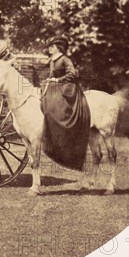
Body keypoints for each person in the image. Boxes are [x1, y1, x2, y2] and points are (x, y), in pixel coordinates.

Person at [40, 36, 90, 171]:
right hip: (56, 89)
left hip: (67, 89)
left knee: (56, 110)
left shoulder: (64, 59)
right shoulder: (52, 60)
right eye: (49, 46)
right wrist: (50, 79)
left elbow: (72, 74)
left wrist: (58, 80)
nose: (49, 48)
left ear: (59, 48)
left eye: (52, 46)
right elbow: (52, 75)